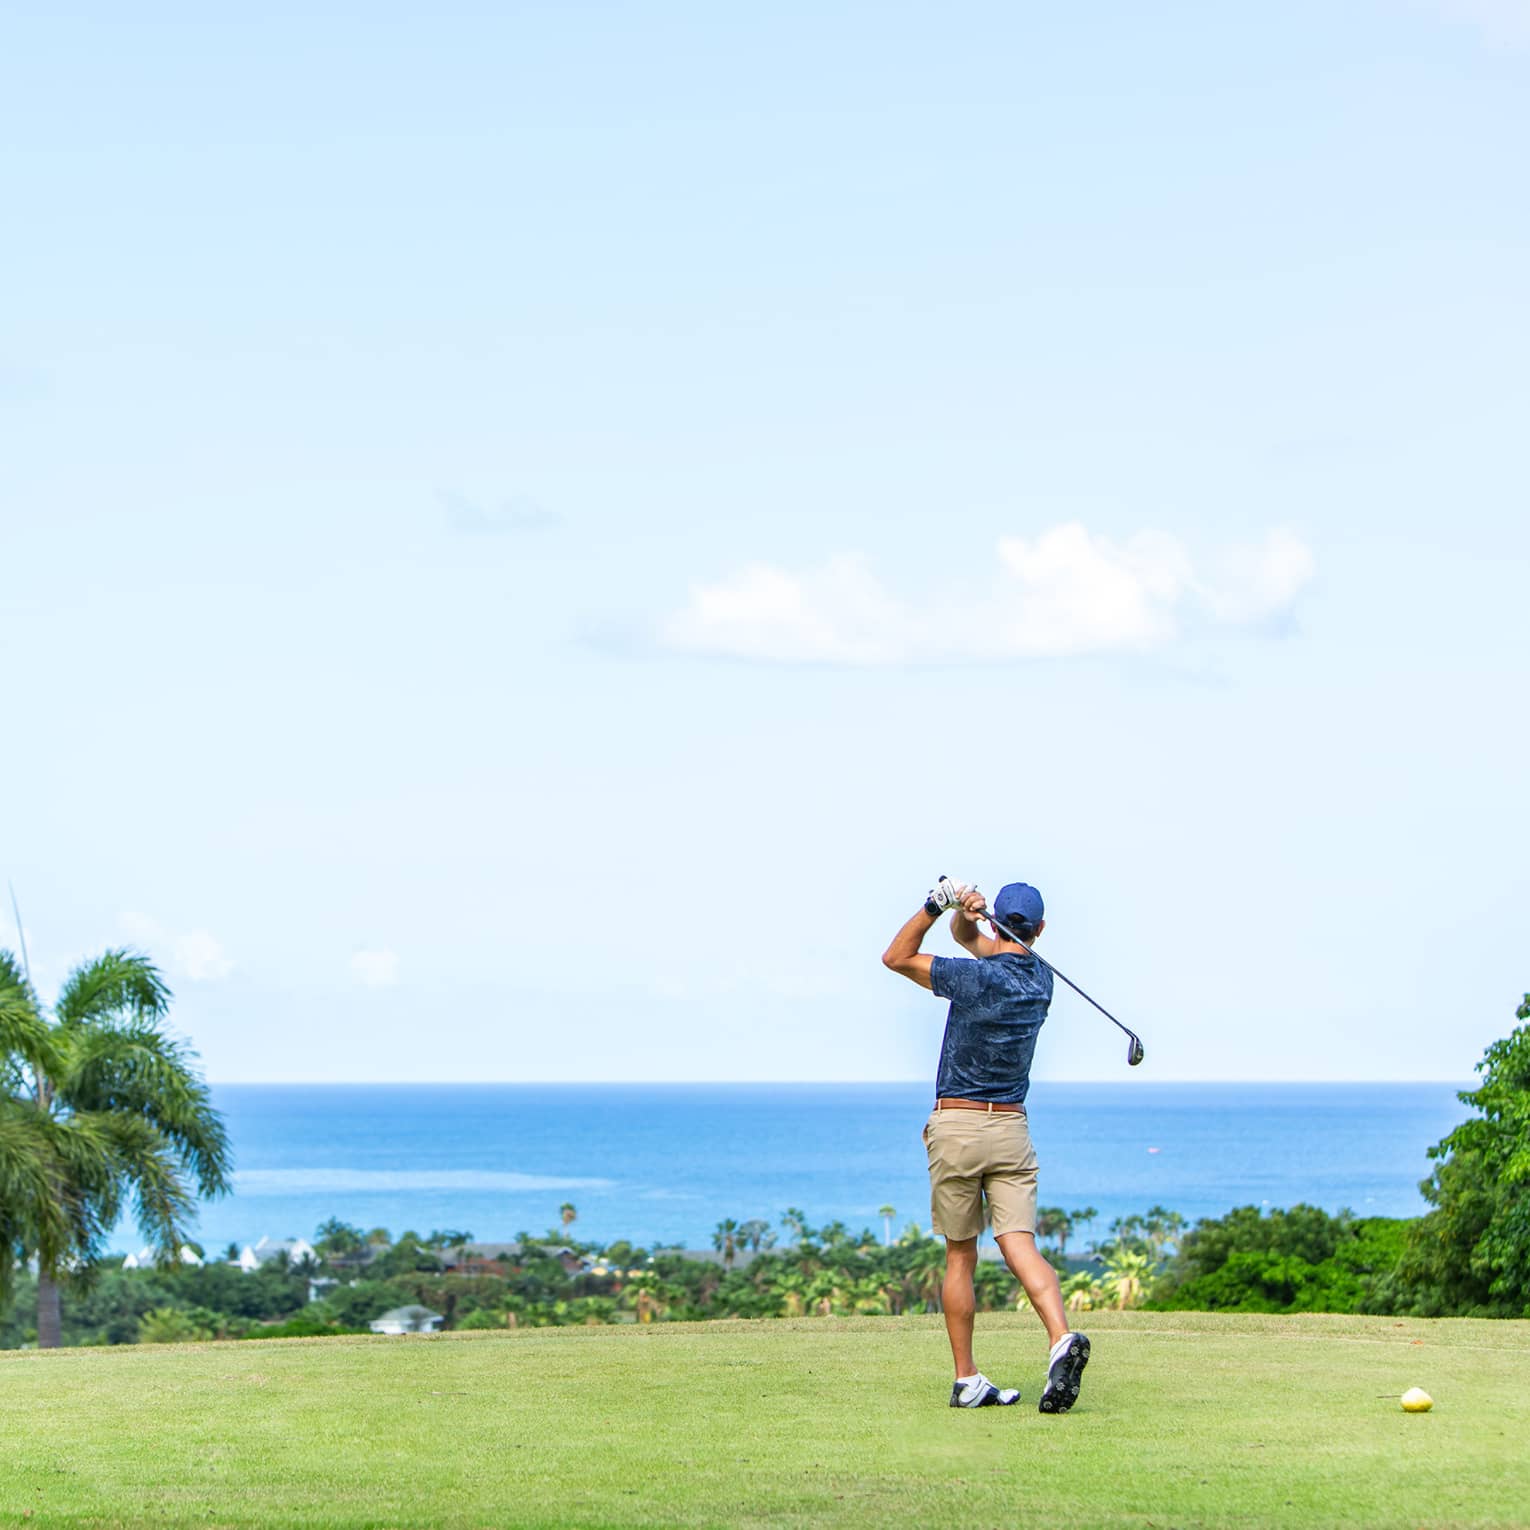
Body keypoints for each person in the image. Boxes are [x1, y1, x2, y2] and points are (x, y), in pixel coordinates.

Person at [882, 876, 1090, 1413]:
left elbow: (896, 957)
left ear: (1000, 921)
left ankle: (966, 1379)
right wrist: (968, 918)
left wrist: (936, 904)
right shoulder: (1041, 980)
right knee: (1019, 1243)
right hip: (1011, 1131)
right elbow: (975, 943)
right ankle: (1060, 1339)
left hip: (958, 1124)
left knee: (960, 1256)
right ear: (1040, 930)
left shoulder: (971, 980)